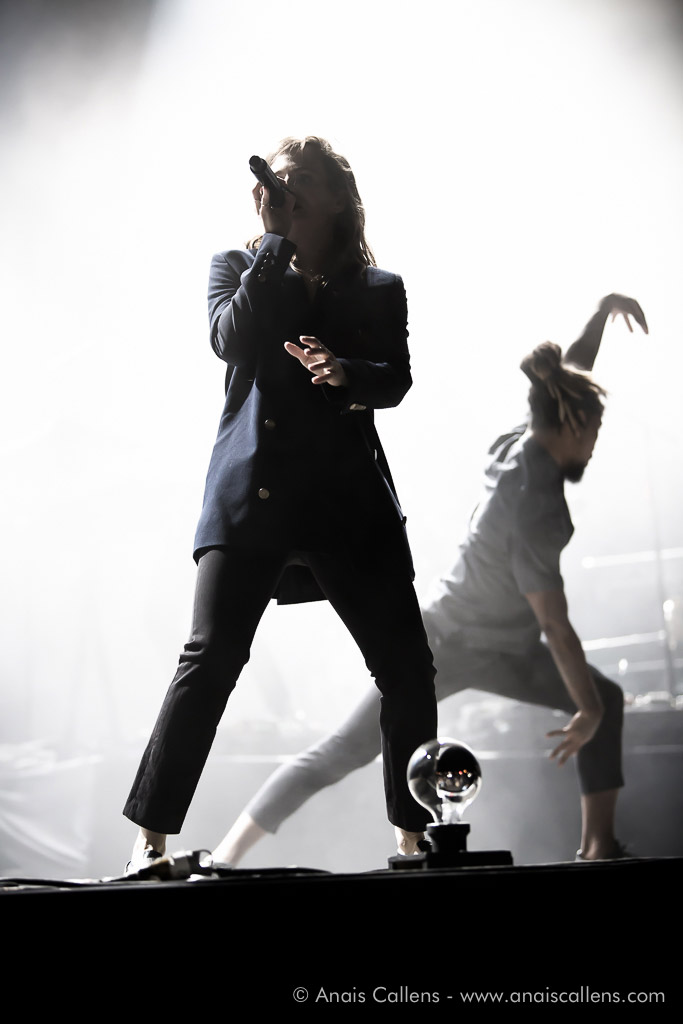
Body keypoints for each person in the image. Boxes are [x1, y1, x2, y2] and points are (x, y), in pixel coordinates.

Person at [210, 294, 648, 866]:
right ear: (574, 422)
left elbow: (568, 380)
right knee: (345, 749)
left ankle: (598, 849)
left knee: (605, 699)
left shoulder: (533, 433)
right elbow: (556, 623)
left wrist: (602, 314)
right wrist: (584, 709)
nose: (595, 443)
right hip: (446, 643)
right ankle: (225, 856)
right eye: (595, 429)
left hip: (508, 648)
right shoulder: (533, 496)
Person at [123, 136, 437, 871]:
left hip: (347, 502)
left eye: (299, 180)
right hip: (254, 495)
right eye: (276, 180)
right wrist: (272, 244)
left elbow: (394, 378)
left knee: (407, 668)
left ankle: (412, 838)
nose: (283, 188)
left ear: (334, 198)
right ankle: (148, 844)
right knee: (210, 658)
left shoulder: (379, 286)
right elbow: (230, 340)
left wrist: (345, 371)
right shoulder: (239, 265)